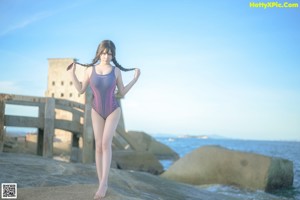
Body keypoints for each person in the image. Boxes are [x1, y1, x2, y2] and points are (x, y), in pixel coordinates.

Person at [67, 40, 141, 199]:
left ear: (113, 55)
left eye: (109, 53)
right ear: (99, 53)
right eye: (104, 52)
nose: (106, 56)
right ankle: (101, 182)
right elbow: (80, 90)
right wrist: (72, 74)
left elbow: (122, 92)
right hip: (96, 111)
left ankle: (104, 183)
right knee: (99, 146)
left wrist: (135, 79)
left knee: (106, 143)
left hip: (113, 110)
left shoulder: (115, 71)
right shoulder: (89, 70)